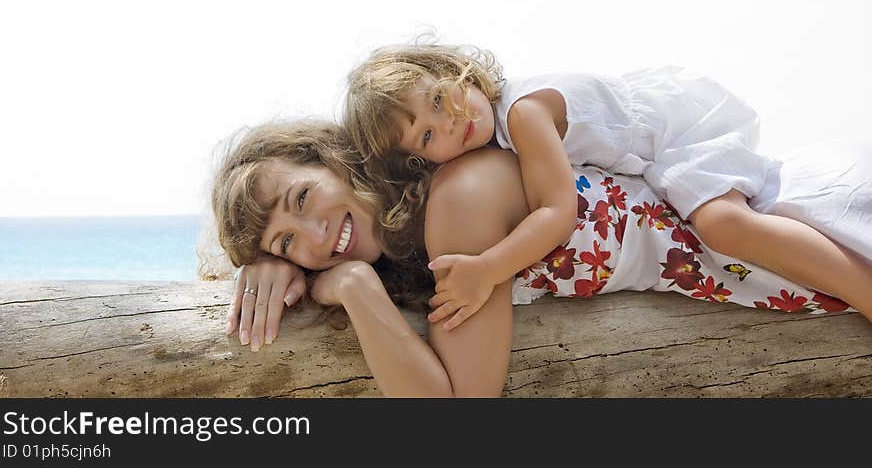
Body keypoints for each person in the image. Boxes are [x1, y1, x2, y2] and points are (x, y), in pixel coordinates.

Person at [212, 120, 870, 396]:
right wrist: (334, 280)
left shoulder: (456, 201)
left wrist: (350, 284)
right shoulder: (412, 246)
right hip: (762, 277)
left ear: (334, 157)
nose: (315, 234)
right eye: (287, 242)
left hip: (795, 224)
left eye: (303, 196)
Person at [342, 40, 872, 328]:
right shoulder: (502, 133)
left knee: (725, 226)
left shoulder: (524, 114)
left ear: (453, 70)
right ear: (419, 161)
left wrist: (488, 268)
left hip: (679, 129)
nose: (450, 122)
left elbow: (559, 212)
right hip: (660, 147)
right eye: (428, 135)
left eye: (438, 99)